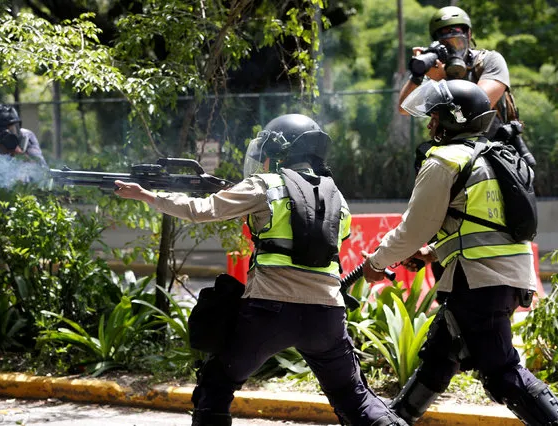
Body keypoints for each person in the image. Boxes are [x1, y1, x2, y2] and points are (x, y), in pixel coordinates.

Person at [114, 114, 408, 426]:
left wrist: (145, 195)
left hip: (270, 312)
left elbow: (201, 210)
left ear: (282, 154)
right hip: (326, 316)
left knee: (216, 384)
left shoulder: (264, 186)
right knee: (354, 397)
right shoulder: (337, 197)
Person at [363, 79, 558, 425]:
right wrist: (433, 255)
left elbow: (413, 229)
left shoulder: (445, 161)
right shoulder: (495, 157)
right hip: (509, 276)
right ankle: (393, 421)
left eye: (436, 116)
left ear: (454, 118)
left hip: (479, 280)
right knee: (440, 356)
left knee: (502, 373)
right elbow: (484, 227)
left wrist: (376, 262)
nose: (430, 124)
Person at [398, 6, 513, 140]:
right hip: (452, 148)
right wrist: (418, 74)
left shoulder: (489, 61)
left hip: (492, 148)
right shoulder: (435, 68)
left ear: (469, 35)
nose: (453, 49)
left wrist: (443, 78)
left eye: (457, 42)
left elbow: (478, 108)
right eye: (446, 44)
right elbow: (404, 108)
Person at [0, 103, 47, 167]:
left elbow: (42, 169)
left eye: (12, 129)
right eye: (1, 131)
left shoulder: (26, 137)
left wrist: (21, 155)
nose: (8, 135)